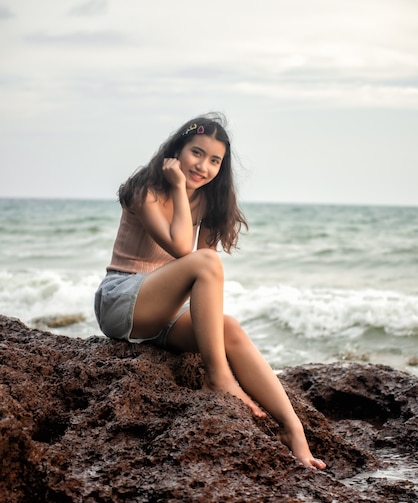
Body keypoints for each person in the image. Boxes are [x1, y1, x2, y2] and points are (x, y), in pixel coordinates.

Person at [95, 113, 326, 470]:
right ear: (176, 151)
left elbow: (201, 279)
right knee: (205, 261)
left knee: (228, 326)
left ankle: (293, 429)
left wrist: (206, 327)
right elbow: (182, 250)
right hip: (122, 299)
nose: (203, 166)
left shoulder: (207, 201)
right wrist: (176, 187)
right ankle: (217, 377)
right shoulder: (147, 190)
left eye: (215, 160)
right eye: (197, 153)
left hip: (162, 315)